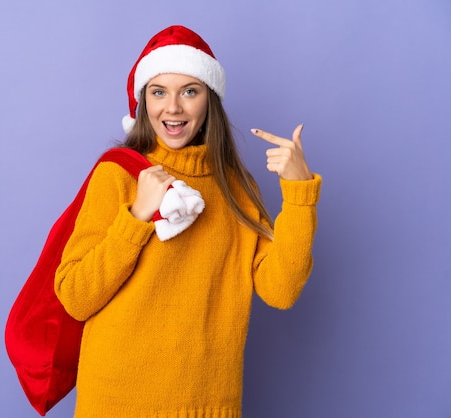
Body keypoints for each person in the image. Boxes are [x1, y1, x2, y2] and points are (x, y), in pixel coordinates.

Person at [55, 25, 322, 417]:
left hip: (207, 406)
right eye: (158, 91)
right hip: (114, 403)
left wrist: (299, 195)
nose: (173, 107)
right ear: (143, 101)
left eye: (190, 91)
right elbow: (76, 297)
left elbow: (280, 291)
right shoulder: (118, 175)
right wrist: (136, 217)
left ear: (209, 100)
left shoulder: (237, 189)